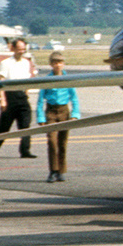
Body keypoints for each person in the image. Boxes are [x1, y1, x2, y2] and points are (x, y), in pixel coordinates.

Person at [0, 37, 37, 159]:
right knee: (4, 127)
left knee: (25, 125)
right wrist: (2, 99)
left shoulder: (26, 62)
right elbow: (1, 81)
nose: (22, 51)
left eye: (23, 49)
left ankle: (25, 150)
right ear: (13, 48)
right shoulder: (6, 63)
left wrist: (26, 93)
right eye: (19, 49)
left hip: (21, 96)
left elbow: (27, 80)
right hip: (10, 96)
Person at [38, 52, 80, 183]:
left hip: (64, 111)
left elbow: (74, 98)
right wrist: (41, 118)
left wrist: (75, 114)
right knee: (52, 142)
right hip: (51, 112)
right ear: (51, 64)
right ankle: (52, 171)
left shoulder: (67, 79)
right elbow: (40, 100)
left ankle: (61, 171)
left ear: (63, 64)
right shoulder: (46, 79)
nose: (58, 65)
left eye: (60, 62)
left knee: (62, 143)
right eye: (55, 62)